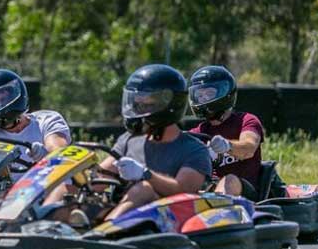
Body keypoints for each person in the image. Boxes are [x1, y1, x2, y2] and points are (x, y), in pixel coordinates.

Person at [100, 64, 212, 220]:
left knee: (143, 189)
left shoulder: (195, 150)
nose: (138, 111)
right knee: (76, 185)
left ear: (168, 105)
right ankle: (58, 225)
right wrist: (77, 177)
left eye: (147, 105)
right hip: (127, 214)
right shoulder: (129, 139)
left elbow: (184, 191)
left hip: (168, 221)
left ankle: (102, 234)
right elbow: (102, 175)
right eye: (137, 104)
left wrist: (145, 174)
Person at [0, 68, 72, 175]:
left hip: (47, 185)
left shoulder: (47, 120)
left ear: (15, 94)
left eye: (2, 99)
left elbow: (58, 150)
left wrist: (46, 155)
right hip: (10, 190)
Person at [187, 65, 265, 200]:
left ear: (225, 93)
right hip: (211, 191)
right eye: (200, 95)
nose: (204, 99)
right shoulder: (198, 132)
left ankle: (219, 210)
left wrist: (227, 146)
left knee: (229, 180)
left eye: (209, 94)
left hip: (247, 193)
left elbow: (248, 148)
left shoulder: (246, 120)